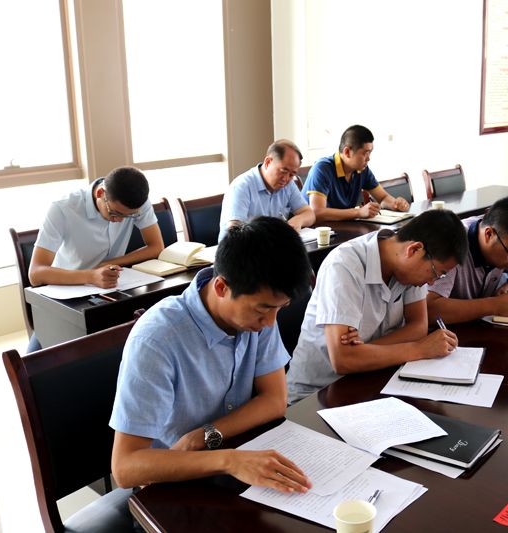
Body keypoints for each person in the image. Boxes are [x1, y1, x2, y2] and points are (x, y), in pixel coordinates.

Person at [110, 217, 314, 511]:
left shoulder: (257, 316)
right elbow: (125, 468)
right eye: (263, 310)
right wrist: (228, 460)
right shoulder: (157, 339)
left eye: (279, 309)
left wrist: (204, 436)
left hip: (231, 461)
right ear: (221, 287)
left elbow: (274, 400)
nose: (270, 323)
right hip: (170, 484)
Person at [287, 209, 468, 403]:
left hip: (368, 380)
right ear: (414, 250)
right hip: (316, 395)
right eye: (435, 272)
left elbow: (418, 327)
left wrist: (362, 351)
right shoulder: (345, 265)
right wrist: (419, 349)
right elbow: (343, 360)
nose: (432, 282)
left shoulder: (408, 271)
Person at [27, 166, 164, 352]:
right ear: (100, 193)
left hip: (111, 291)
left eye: (129, 216)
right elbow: (35, 274)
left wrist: (108, 264)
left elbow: (156, 246)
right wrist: (91, 276)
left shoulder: (136, 204)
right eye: (115, 213)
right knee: (37, 362)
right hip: (67, 298)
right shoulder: (63, 208)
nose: (120, 220)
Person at [426, 195, 508, 324]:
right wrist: (495, 305)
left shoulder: (506, 242)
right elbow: (430, 309)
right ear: (489, 234)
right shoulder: (452, 244)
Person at [302, 125, 410, 222]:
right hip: (315, 230)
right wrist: (358, 212)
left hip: (342, 227)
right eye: (365, 153)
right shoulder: (322, 168)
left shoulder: (362, 169)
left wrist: (395, 204)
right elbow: (317, 212)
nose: (369, 158)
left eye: (370, 153)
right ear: (347, 152)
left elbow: (382, 198)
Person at [219, 139, 315, 240]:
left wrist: (299, 220)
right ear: (268, 162)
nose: (286, 179)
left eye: (292, 174)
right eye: (283, 171)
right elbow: (234, 231)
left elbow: (309, 214)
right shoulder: (241, 186)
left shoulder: (288, 185)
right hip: (240, 246)